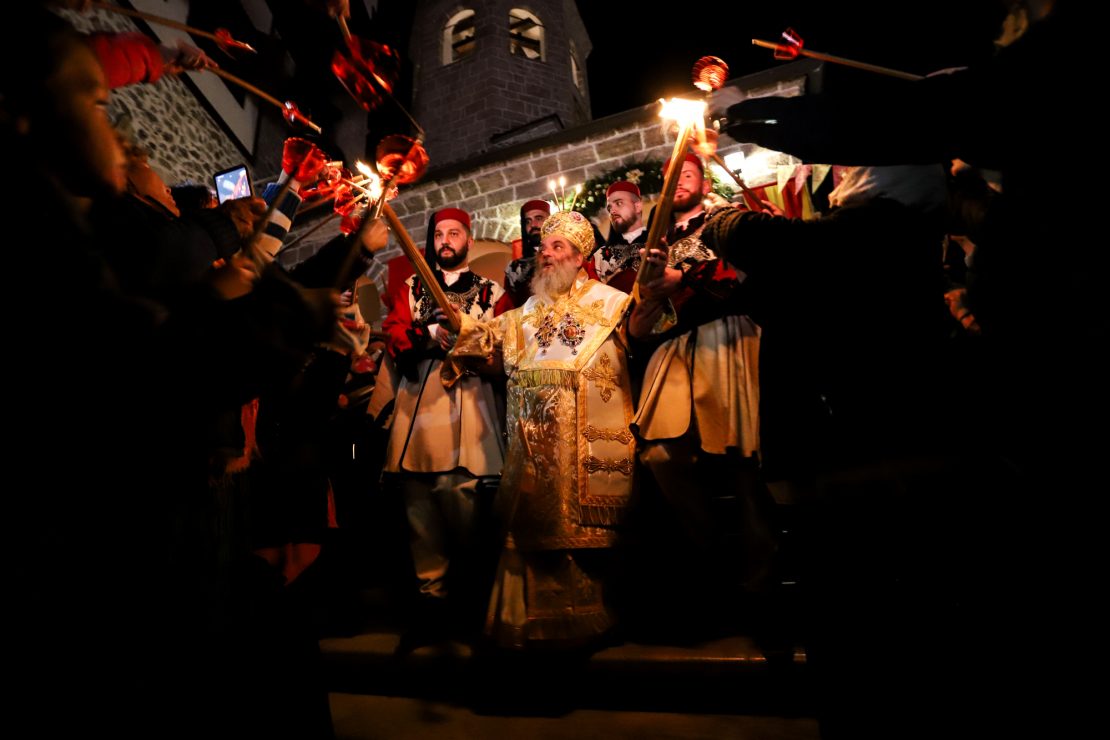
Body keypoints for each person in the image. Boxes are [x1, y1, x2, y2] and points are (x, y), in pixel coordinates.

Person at [445, 209, 635, 649]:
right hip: (530, 444)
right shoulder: (524, 313)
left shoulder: (608, 303)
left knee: (579, 535)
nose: (545, 254)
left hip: (582, 444)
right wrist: (461, 327)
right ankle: (528, 630)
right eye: (543, 247)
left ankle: (589, 627)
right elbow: (487, 348)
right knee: (529, 530)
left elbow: (643, 333)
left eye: (557, 247)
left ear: (579, 257)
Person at [381, 207, 508, 638]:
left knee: (466, 509)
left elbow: (503, 344)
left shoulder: (492, 292)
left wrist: (466, 335)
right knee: (420, 512)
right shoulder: (412, 287)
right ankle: (430, 609)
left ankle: (471, 609)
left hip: (471, 406)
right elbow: (395, 332)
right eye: (439, 235)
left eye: (454, 234)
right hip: (420, 408)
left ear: (469, 240)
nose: (445, 241)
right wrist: (429, 335)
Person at [592, 180, 647, 292]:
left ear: (637, 206)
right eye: (609, 208)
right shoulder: (599, 257)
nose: (612, 211)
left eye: (619, 203)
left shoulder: (660, 240)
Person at [503, 198, 551, 307]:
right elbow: (510, 307)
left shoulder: (563, 256)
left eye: (539, 218)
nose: (533, 225)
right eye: (528, 221)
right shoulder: (514, 268)